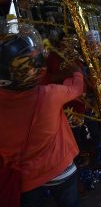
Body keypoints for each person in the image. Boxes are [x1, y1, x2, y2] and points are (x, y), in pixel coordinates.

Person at [0, 25, 84, 206]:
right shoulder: (49, 95)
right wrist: (76, 71)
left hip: (24, 178)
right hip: (58, 167)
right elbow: (76, 88)